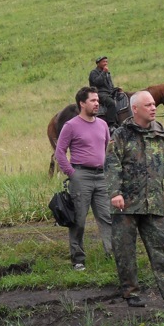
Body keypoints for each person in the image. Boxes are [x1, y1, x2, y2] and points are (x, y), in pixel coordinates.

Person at [105, 90, 164, 310]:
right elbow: (111, 164)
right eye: (148, 105)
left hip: (153, 202)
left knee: (162, 248)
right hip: (125, 204)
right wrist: (115, 192)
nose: (154, 108)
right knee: (125, 250)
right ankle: (131, 293)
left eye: (154, 104)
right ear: (135, 109)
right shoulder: (121, 134)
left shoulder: (161, 134)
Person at [54, 87, 113, 270]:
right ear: (82, 103)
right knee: (78, 220)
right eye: (93, 100)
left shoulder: (103, 125)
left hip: (101, 176)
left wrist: (108, 171)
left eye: (97, 100)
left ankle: (112, 254)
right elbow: (60, 152)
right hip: (81, 176)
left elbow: (107, 150)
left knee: (107, 217)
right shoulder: (70, 126)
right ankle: (78, 259)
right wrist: (72, 173)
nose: (97, 103)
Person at [89, 56, 124, 131]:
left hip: (108, 93)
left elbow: (110, 86)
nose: (105, 63)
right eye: (103, 62)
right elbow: (97, 83)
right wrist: (104, 72)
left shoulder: (107, 73)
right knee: (111, 103)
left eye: (106, 62)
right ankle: (111, 124)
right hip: (99, 93)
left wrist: (117, 89)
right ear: (98, 63)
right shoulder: (93, 73)